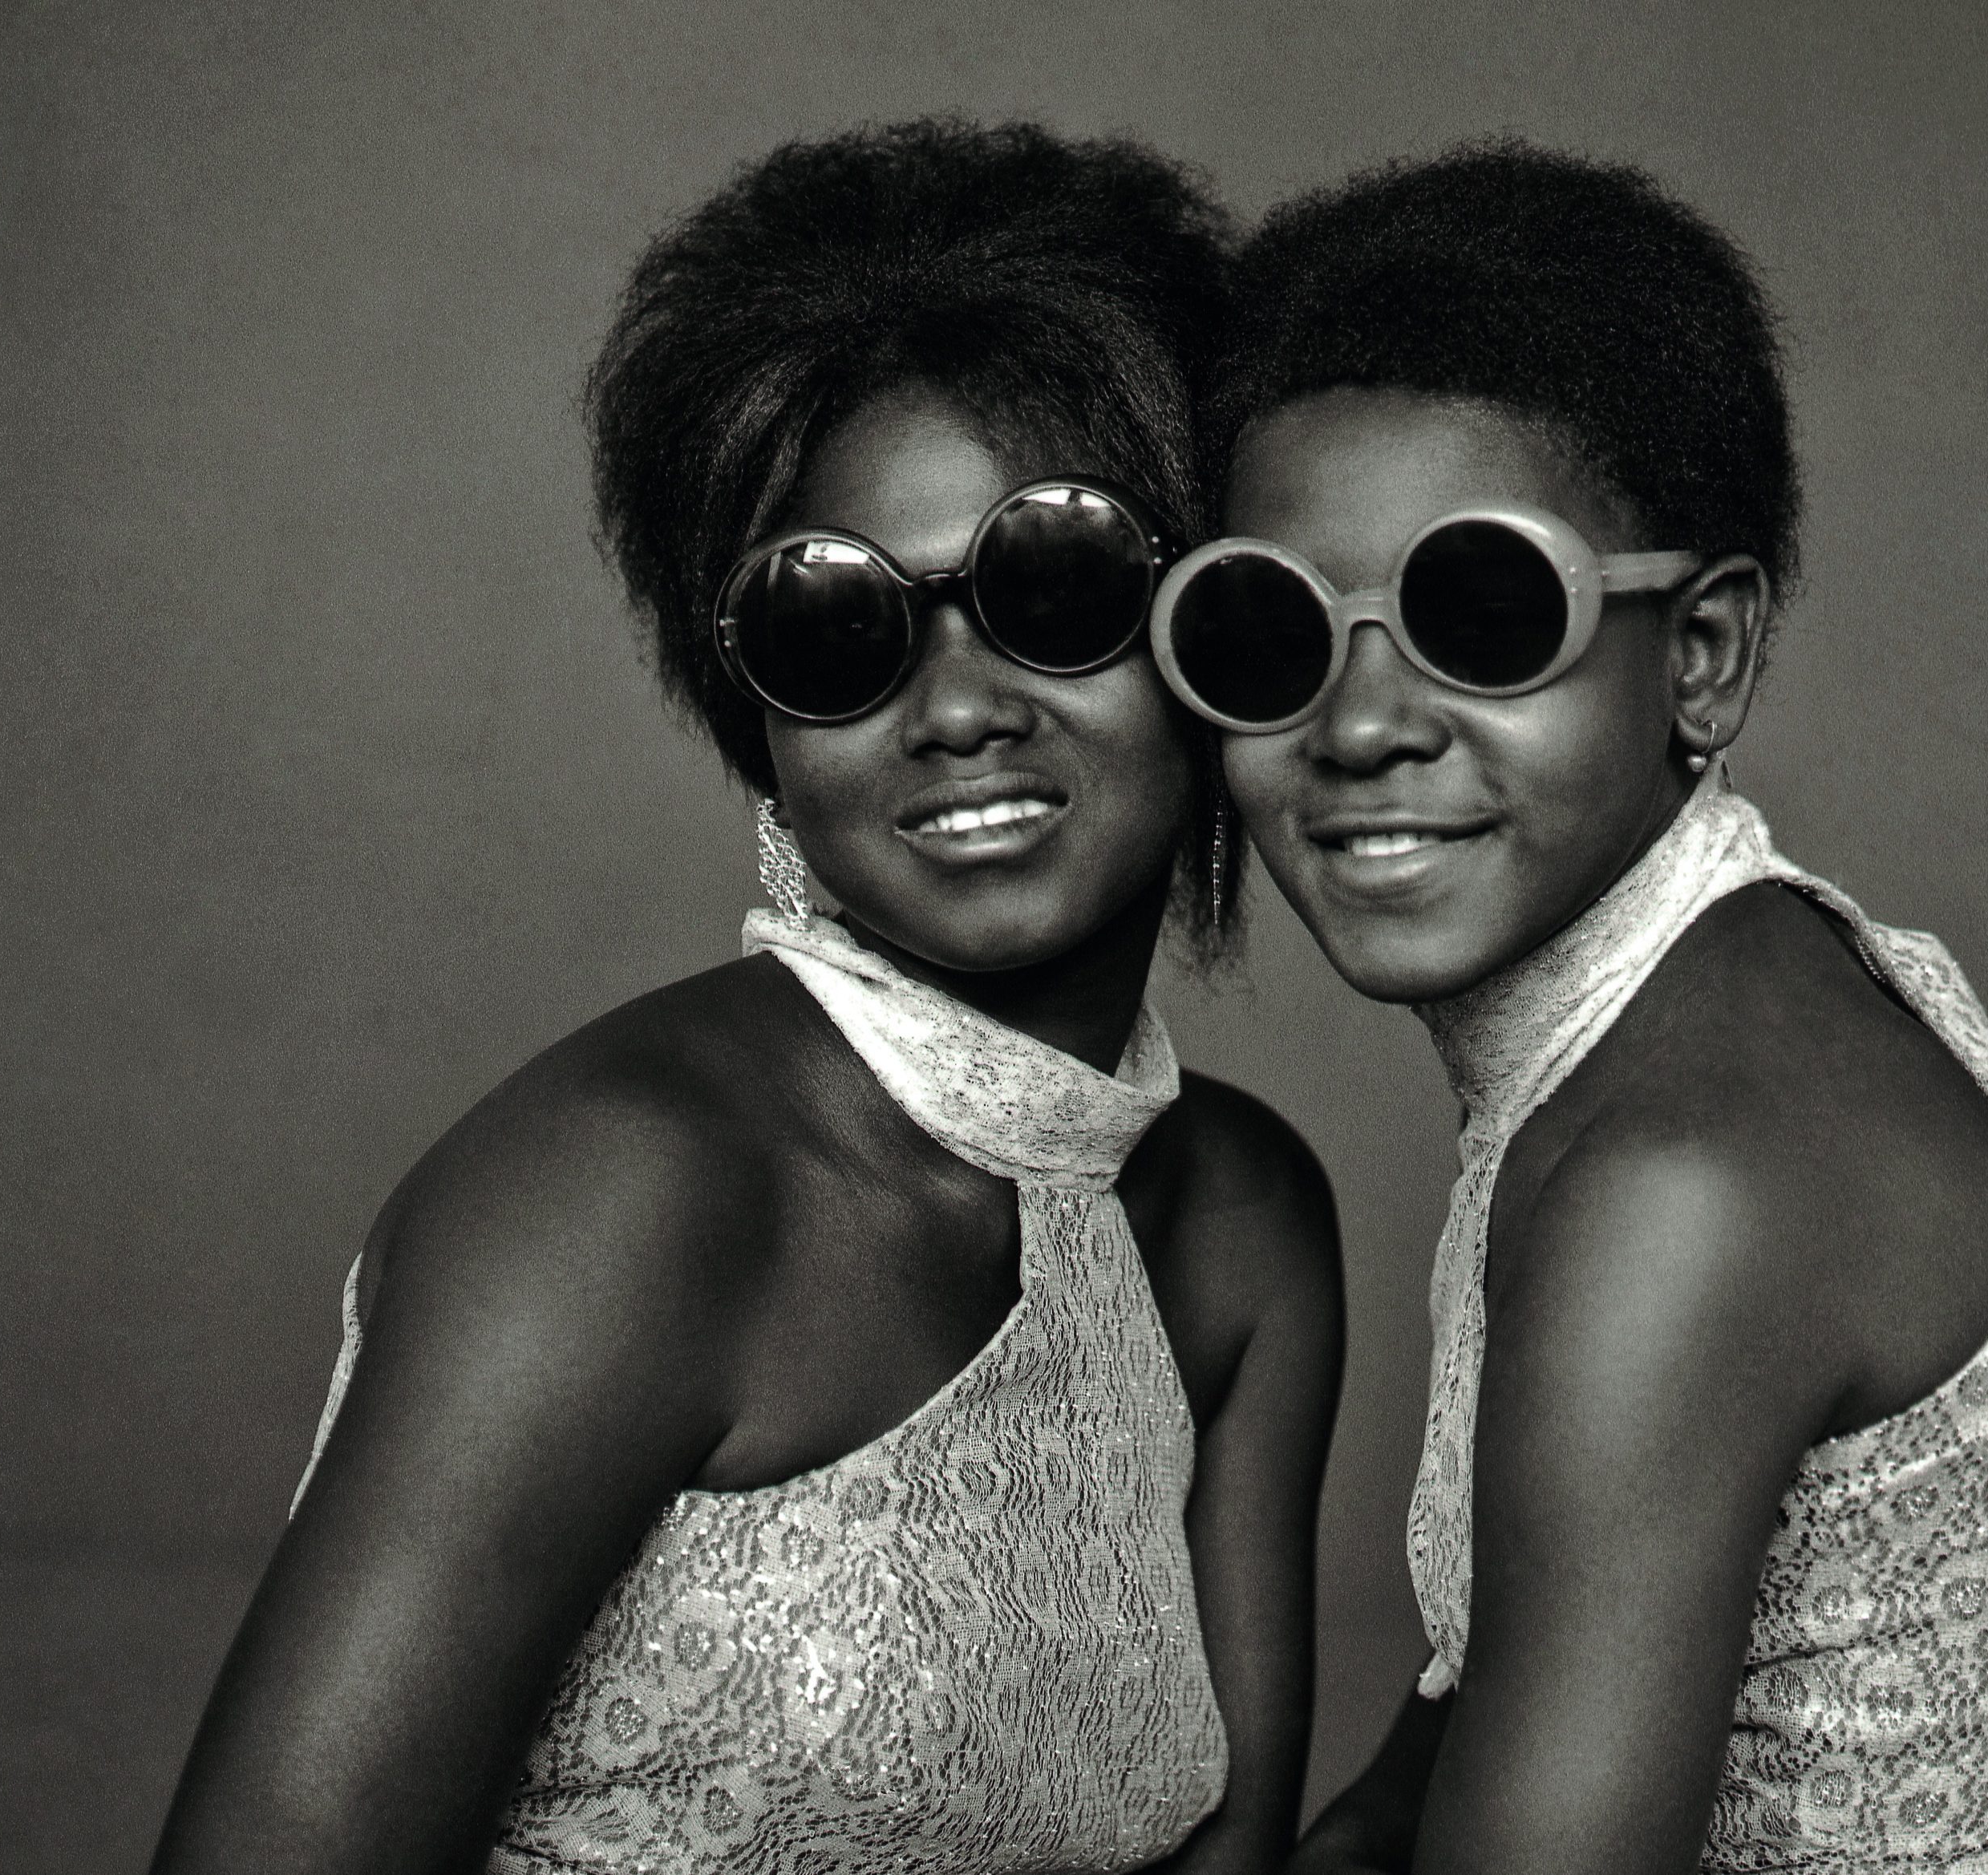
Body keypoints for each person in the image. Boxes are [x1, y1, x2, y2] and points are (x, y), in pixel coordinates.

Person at [154, 120, 1344, 1874]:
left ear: (1206, 625)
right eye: (834, 623)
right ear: (765, 729)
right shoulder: (625, 1192)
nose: (953, 706)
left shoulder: (1239, 1224)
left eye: (1054, 583)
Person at [1148, 141, 1988, 1873]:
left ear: (1700, 653)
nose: (1360, 721)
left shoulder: (1684, 1171)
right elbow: (1474, 1698)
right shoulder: (1726, 980)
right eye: (1267, 632)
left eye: (1481, 613)